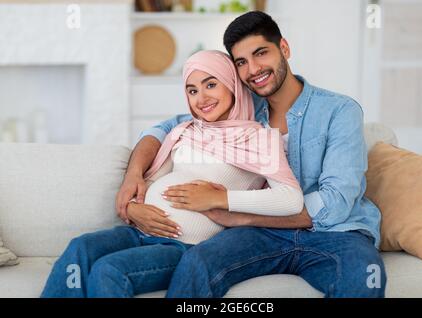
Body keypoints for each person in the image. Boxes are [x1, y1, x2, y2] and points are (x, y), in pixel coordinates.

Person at [117, 11, 387, 298]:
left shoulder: (339, 110)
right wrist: (133, 175)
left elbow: (337, 202)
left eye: (261, 53)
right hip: (258, 235)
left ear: (284, 49)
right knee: (198, 263)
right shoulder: (239, 107)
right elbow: (166, 128)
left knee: (365, 273)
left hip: (336, 234)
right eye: (241, 62)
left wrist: (238, 214)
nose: (253, 69)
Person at [40, 50, 303, 298]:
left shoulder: (259, 138)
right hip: (139, 231)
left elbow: (291, 199)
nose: (201, 98)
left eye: (211, 85)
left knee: (109, 269)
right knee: (80, 248)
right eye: (192, 90)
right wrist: (133, 209)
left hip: (184, 247)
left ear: (232, 84)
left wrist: (220, 199)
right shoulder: (186, 131)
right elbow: (152, 180)